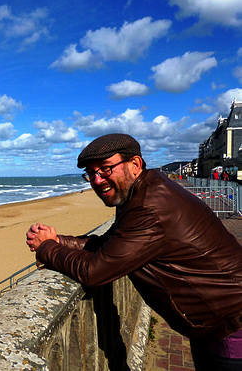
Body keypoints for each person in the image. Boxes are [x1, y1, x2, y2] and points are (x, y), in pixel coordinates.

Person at [26, 133, 242, 371]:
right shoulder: (143, 191)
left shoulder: (149, 206)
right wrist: (58, 240)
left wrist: (47, 248)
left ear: (135, 165)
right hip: (216, 323)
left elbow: (94, 271)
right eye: (91, 173)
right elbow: (112, 243)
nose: (97, 180)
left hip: (231, 329)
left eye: (106, 169)